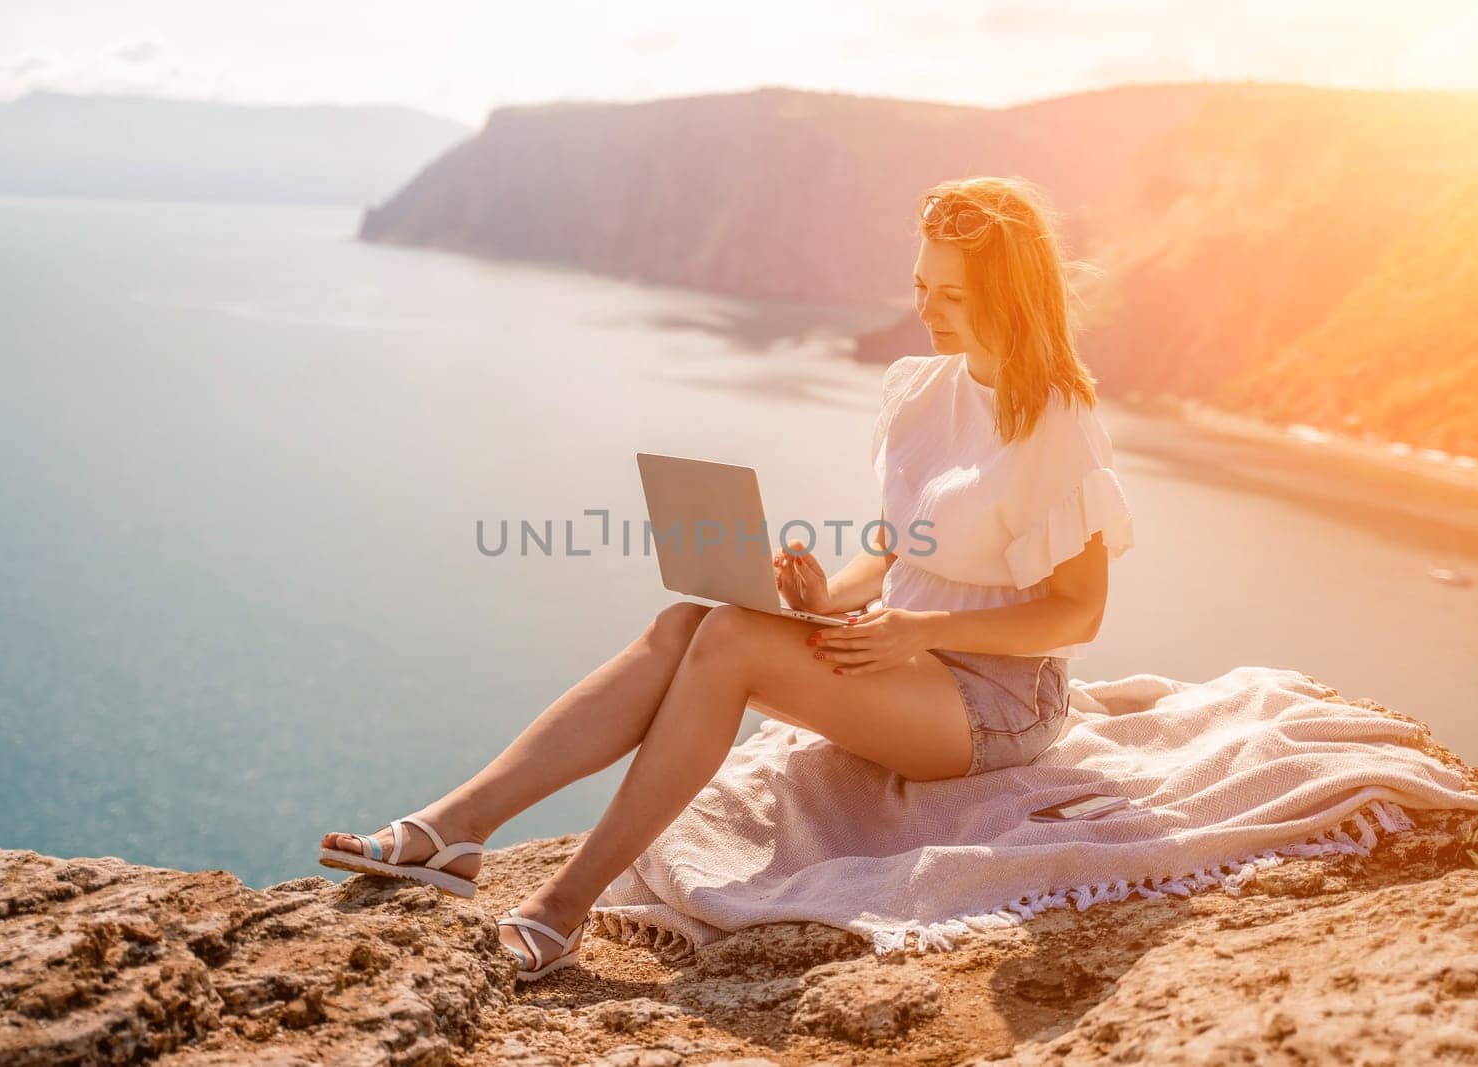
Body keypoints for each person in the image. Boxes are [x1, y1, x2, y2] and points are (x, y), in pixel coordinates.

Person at [318, 175, 1134, 981]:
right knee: (683, 625)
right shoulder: (923, 390)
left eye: (950, 296)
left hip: (993, 702)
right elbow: (897, 547)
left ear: (1008, 295)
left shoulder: (1056, 420)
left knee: (732, 641)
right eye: (921, 285)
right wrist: (828, 598)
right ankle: (456, 826)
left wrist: (922, 630)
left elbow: (1077, 612)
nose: (925, 309)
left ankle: (562, 907)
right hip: (901, 662)